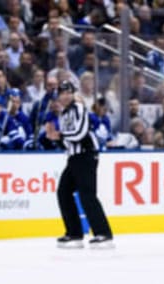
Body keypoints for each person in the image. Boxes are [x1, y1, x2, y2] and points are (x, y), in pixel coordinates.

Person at [46, 80, 114, 249]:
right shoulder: (64, 114)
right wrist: (53, 138)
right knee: (63, 192)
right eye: (62, 93)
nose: (65, 96)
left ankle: (103, 234)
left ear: (74, 94)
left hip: (86, 155)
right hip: (74, 157)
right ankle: (74, 233)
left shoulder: (79, 109)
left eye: (69, 92)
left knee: (87, 194)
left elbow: (80, 132)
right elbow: (68, 140)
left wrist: (60, 136)